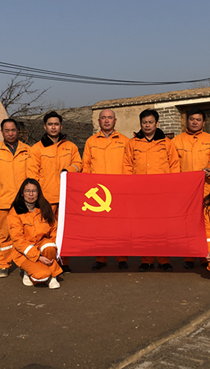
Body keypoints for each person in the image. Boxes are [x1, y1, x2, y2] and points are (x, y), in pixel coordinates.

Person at [123, 109, 180, 272]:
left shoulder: (167, 143)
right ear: (140, 124)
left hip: (162, 192)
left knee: (162, 227)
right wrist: (129, 187)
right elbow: (127, 166)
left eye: (150, 122)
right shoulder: (133, 143)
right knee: (144, 227)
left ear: (157, 123)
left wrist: (173, 187)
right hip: (140, 193)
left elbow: (174, 165)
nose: (147, 125)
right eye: (144, 122)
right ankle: (146, 259)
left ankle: (163, 259)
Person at [27, 111, 82, 272]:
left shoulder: (70, 147)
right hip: (46, 199)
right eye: (50, 124)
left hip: (66, 198)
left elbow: (79, 164)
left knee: (65, 232)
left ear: (61, 126)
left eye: (56, 124)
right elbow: (32, 174)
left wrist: (69, 169)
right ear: (45, 127)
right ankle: (48, 262)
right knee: (45, 232)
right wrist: (38, 196)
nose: (53, 127)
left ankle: (64, 262)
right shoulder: (37, 149)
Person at [83, 109, 131, 270]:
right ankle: (101, 258)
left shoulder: (125, 141)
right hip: (97, 191)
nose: (106, 120)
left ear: (115, 121)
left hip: (118, 190)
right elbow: (86, 166)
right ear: (99, 121)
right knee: (100, 227)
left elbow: (128, 165)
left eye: (110, 118)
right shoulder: (91, 141)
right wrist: (87, 185)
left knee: (119, 227)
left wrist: (126, 185)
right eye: (103, 118)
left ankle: (121, 257)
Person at [0, 118, 30, 278]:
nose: (10, 133)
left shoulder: (28, 151)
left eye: (13, 130)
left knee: (26, 233)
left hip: (24, 201)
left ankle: (25, 264)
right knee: (5, 235)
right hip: (4, 200)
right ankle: (4, 265)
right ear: (2, 132)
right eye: (7, 130)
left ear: (18, 131)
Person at [173, 107, 210, 269]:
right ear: (187, 121)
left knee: (205, 224)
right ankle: (189, 257)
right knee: (187, 224)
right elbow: (173, 164)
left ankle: (204, 255)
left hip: (206, 188)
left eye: (198, 120)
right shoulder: (177, 141)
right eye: (192, 119)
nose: (194, 122)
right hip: (185, 191)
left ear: (203, 123)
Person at [8, 178, 62, 289]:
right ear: (22, 193)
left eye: (34, 191)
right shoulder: (15, 212)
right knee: (41, 275)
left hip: (42, 246)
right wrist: (38, 256)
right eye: (27, 191)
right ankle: (28, 271)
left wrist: (56, 251)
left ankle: (53, 276)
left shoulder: (45, 208)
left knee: (50, 246)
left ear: (38, 192)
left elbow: (54, 230)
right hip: (24, 252)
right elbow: (18, 240)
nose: (31, 194)